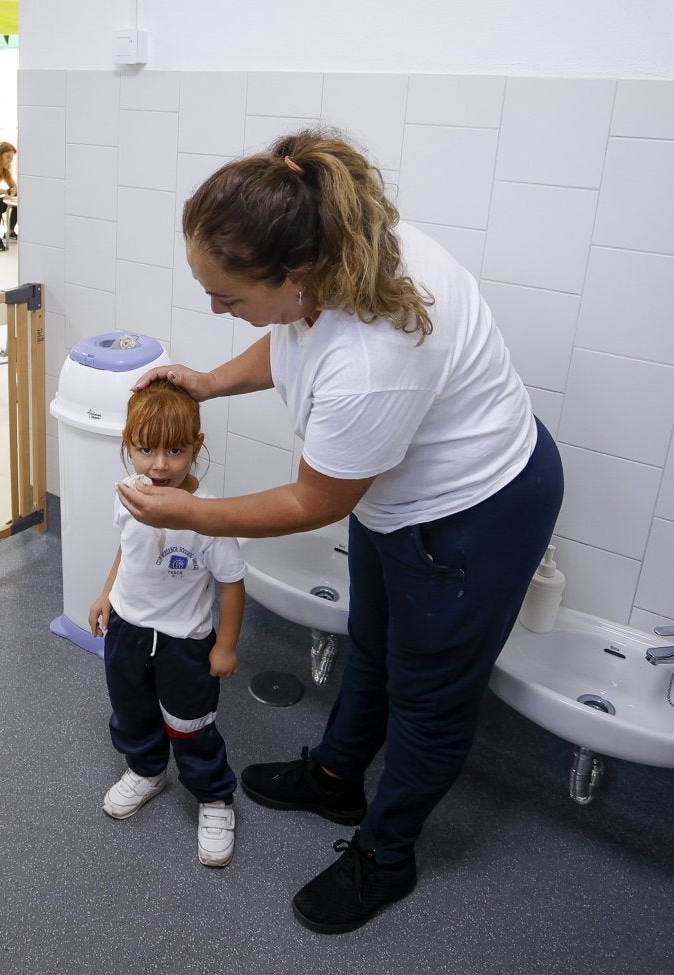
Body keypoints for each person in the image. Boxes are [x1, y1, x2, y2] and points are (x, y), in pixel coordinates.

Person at [119, 127, 564, 933]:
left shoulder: (374, 359)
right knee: (373, 641)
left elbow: (311, 501)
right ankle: (336, 774)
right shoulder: (331, 250)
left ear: (295, 276)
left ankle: (386, 852)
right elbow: (290, 336)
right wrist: (210, 382)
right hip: (398, 498)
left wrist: (188, 510)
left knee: (429, 695)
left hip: (474, 515)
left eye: (228, 296)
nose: (215, 307)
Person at [88, 381, 246, 868]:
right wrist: (106, 593)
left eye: (175, 451)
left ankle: (214, 797)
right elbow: (128, 551)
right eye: (146, 449)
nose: (160, 465)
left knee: (190, 725)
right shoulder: (128, 495)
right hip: (128, 630)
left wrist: (225, 645)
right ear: (127, 446)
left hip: (184, 642)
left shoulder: (208, 517)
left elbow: (233, 583)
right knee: (131, 709)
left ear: (195, 448)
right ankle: (146, 770)